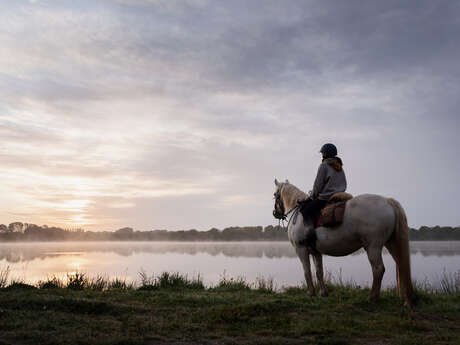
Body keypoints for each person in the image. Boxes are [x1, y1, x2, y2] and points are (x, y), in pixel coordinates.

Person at [300, 143, 347, 242]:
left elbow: (318, 185)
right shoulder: (339, 166)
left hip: (326, 197)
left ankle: (310, 236)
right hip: (341, 195)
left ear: (325, 154)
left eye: (322, 153)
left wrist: (311, 196)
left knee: (305, 210)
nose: (322, 155)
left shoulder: (324, 165)